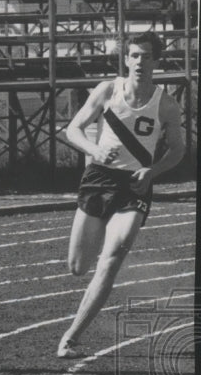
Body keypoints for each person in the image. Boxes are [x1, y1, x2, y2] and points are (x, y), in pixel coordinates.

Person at [57, 31, 185, 358]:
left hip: (135, 185)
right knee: (77, 266)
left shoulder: (166, 104)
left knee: (112, 258)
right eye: (135, 55)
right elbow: (73, 128)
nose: (140, 62)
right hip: (98, 178)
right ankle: (78, 313)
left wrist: (152, 172)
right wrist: (93, 150)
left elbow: (178, 150)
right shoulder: (107, 90)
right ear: (126, 59)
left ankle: (71, 338)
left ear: (157, 61)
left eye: (146, 56)